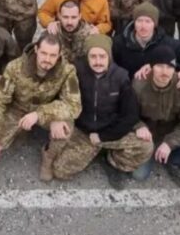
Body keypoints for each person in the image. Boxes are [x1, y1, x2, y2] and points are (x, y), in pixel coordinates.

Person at [51, 35, 152, 189]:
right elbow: (61, 97)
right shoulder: (75, 72)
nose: (98, 61)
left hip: (109, 131)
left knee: (146, 146)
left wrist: (102, 137)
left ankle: (113, 161)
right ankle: (93, 150)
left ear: (109, 56)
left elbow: (130, 115)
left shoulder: (121, 76)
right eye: (93, 56)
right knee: (60, 171)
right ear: (87, 56)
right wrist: (57, 119)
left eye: (102, 56)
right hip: (83, 131)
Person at [0, 32, 81, 182]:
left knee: (64, 128)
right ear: (36, 49)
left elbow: (74, 105)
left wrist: (42, 114)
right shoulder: (14, 67)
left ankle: (48, 157)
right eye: (44, 53)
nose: (47, 60)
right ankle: (21, 131)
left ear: (59, 54)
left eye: (52, 55)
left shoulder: (68, 71)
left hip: (47, 110)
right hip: (19, 109)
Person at [131, 46, 180, 184]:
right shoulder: (139, 84)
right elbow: (128, 113)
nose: (164, 72)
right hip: (148, 136)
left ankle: (173, 161)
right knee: (138, 175)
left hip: (173, 132)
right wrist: (139, 126)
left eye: (169, 67)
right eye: (159, 66)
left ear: (175, 69)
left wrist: (170, 143)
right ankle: (152, 154)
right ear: (151, 67)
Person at [112, 2, 180, 85]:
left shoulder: (169, 43)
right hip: (128, 89)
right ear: (134, 22)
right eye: (139, 21)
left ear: (155, 24)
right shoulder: (119, 43)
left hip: (159, 94)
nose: (143, 26)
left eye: (148, 21)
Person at [50, 0, 95, 64]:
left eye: (73, 17)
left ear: (80, 16)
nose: (69, 22)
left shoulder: (90, 35)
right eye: (65, 17)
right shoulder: (52, 33)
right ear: (59, 16)